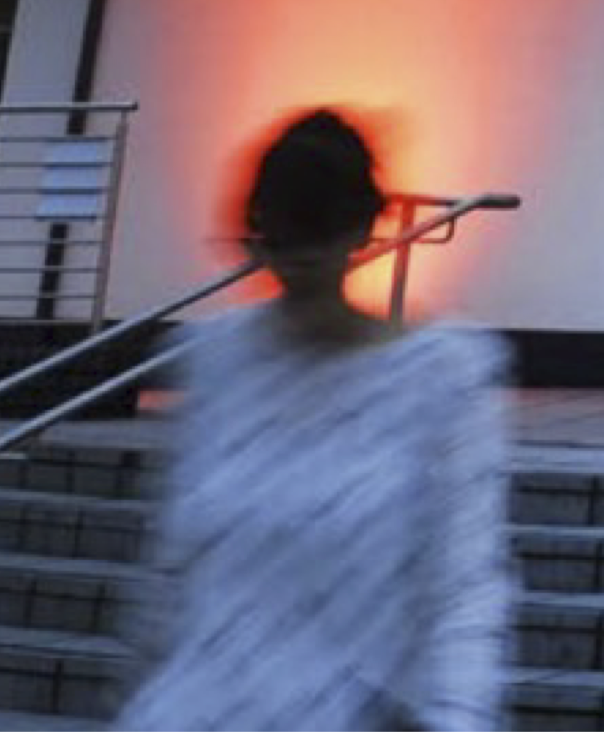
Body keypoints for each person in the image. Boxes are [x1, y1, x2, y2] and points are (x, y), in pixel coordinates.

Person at [119, 110, 511, 731]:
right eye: (274, 244)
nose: (292, 269)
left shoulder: (441, 377)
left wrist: (455, 719)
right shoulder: (211, 357)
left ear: (360, 232)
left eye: (314, 243)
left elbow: (464, 583)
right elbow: (169, 569)